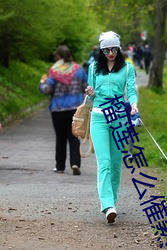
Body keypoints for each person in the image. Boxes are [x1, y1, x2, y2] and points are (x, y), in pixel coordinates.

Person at [85, 31, 138, 223]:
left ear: (119, 48)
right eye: (106, 50)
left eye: (114, 49)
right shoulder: (93, 68)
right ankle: (107, 205)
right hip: (98, 117)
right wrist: (90, 92)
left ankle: (113, 201)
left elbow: (131, 90)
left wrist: (133, 104)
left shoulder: (127, 68)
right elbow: (91, 97)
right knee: (104, 162)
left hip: (119, 119)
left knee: (116, 164)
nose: (110, 53)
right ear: (101, 50)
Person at [39, 45, 88, 175]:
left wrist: (42, 83)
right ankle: (75, 163)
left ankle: (60, 166)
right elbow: (86, 87)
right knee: (74, 137)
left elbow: (47, 90)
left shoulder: (54, 71)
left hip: (58, 109)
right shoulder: (79, 70)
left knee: (60, 138)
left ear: (58, 57)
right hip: (75, 109)